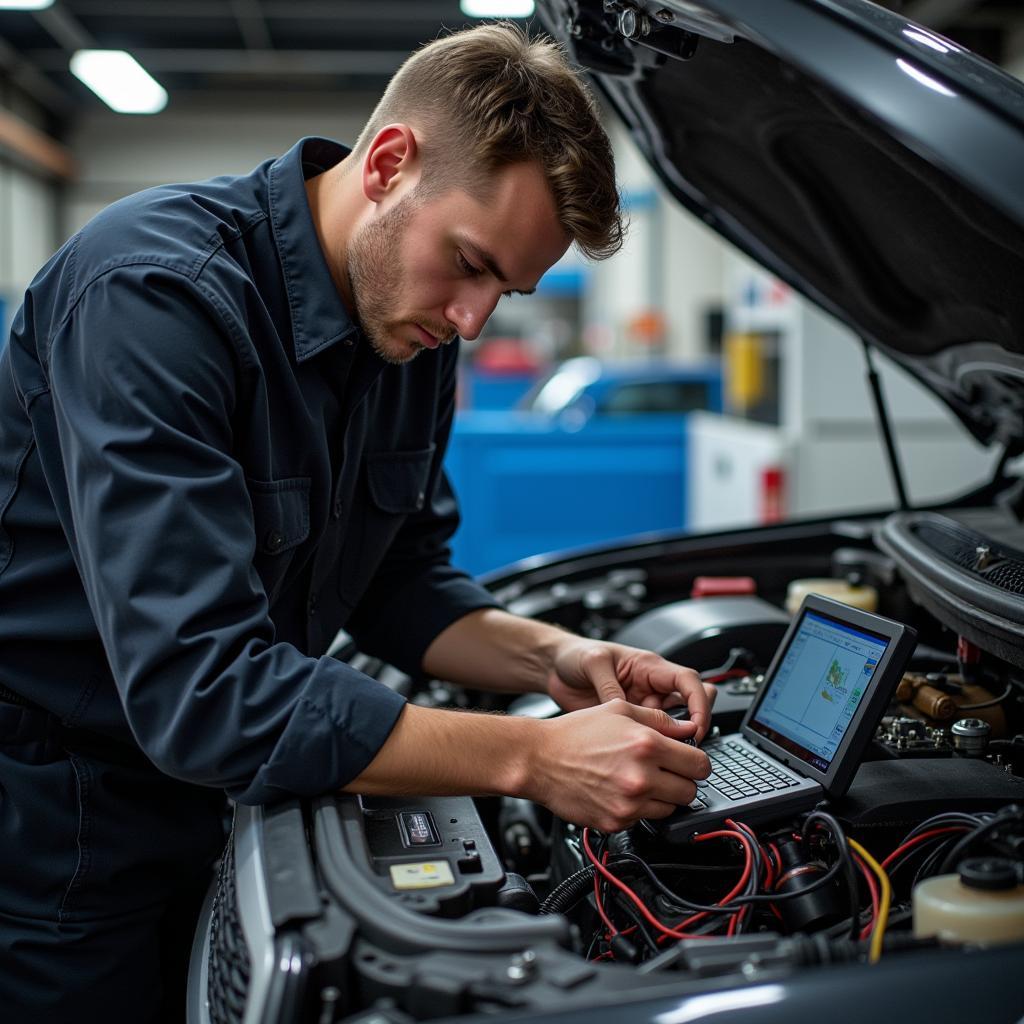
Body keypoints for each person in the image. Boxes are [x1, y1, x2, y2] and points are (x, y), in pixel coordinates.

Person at [0, 22, 712, 1023]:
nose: (471, 321)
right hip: (61, 833)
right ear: (388, 164)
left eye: (501, 290)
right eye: (466, 262)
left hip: (232, 796)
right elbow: (204, 691)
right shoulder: (152, 298)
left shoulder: (411, 332)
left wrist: (557, 660)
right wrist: (533, 758)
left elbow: (397, 580)